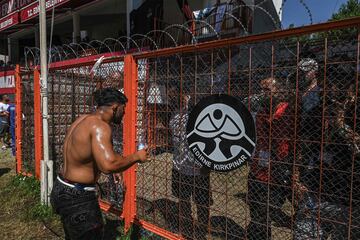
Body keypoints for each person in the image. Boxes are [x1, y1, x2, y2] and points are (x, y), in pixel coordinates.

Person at [50, 88, 150, 240]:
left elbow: (88, 154)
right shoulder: (100, 127)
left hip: (62, 186)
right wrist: (137, 156)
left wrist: (116, 167)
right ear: (115, 107)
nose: (124, 113)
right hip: (78, 196)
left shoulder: (83, 119)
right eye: (123, 109)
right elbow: (108, 165)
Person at [247, 77, 296, 240]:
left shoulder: (286, 111)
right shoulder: (261, 111)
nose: (263, 94)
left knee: (266, 211)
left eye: (267, 90)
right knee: (254, 208)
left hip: (275, 171)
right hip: (257, 169)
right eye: (261, 90)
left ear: (278, 91)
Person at [168, 85, 212, 240]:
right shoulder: (173, 114)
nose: (172, 97)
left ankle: (203, 228)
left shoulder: (198, 114)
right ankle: (186, 226)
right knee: (183, 198)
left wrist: (207, 164)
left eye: (175, 94)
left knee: (202, 201)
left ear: (185, 95)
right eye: (170, 95)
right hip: (179, 165)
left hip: (198, 167)